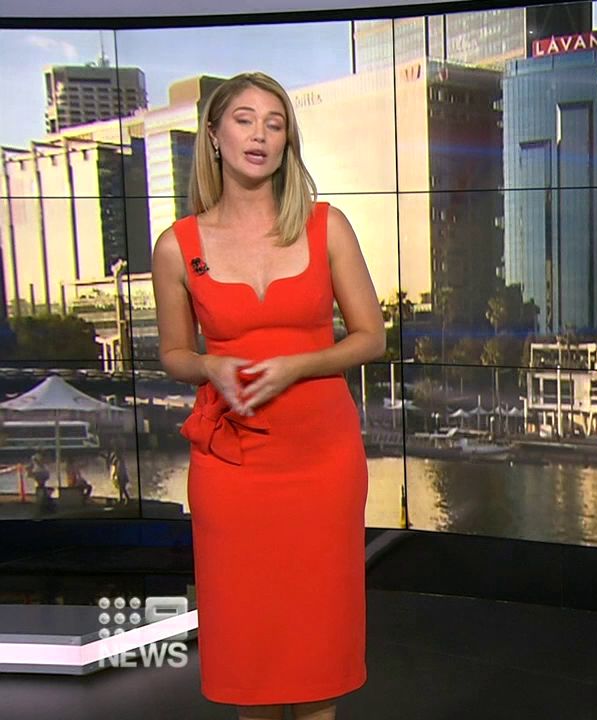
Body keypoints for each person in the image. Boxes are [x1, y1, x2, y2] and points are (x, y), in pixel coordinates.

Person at [150, 71, 384, 720]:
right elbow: (173, 354)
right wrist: (208, 365)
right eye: (245, 119)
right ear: (214, 135)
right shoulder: (177, 246)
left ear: (287, 142)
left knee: (316, 657)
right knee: (250, 659)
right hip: (233, 465)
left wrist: (297, 367)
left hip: (321, 462)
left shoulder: (326, 227)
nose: (260, 134)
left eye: (275, 123)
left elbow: (371, 338)